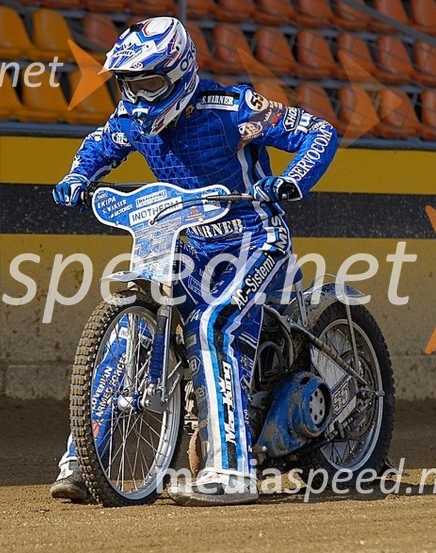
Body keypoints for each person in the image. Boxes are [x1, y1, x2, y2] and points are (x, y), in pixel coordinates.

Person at [50, 16, 338, 506]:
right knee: (131, 326)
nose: (139, 95)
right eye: (128, 83)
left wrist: (291, 181)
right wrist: (77, 177)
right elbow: (100, 145)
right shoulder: (131, 117)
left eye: (149, 82)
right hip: (184, 244)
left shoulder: (232, 108)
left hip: (253, 239)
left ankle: (234, 474)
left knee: (212, 324)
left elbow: (317, 132)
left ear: (180, 72)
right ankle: (85, 460)